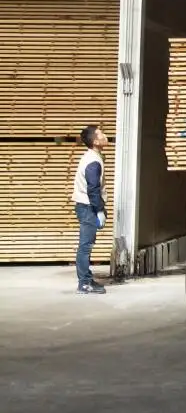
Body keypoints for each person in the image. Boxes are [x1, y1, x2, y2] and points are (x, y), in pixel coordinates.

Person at [72, 124, 109, 295]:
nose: (105, 135)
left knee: (87, 244)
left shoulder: (93, 156)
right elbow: (93, 188)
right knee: (85, 246)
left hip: (86, 206)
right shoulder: (93, 161)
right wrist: (99, 210)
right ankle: (84, 283)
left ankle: (86, 278)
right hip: (88, 207)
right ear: (95, 141)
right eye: (101, 134)